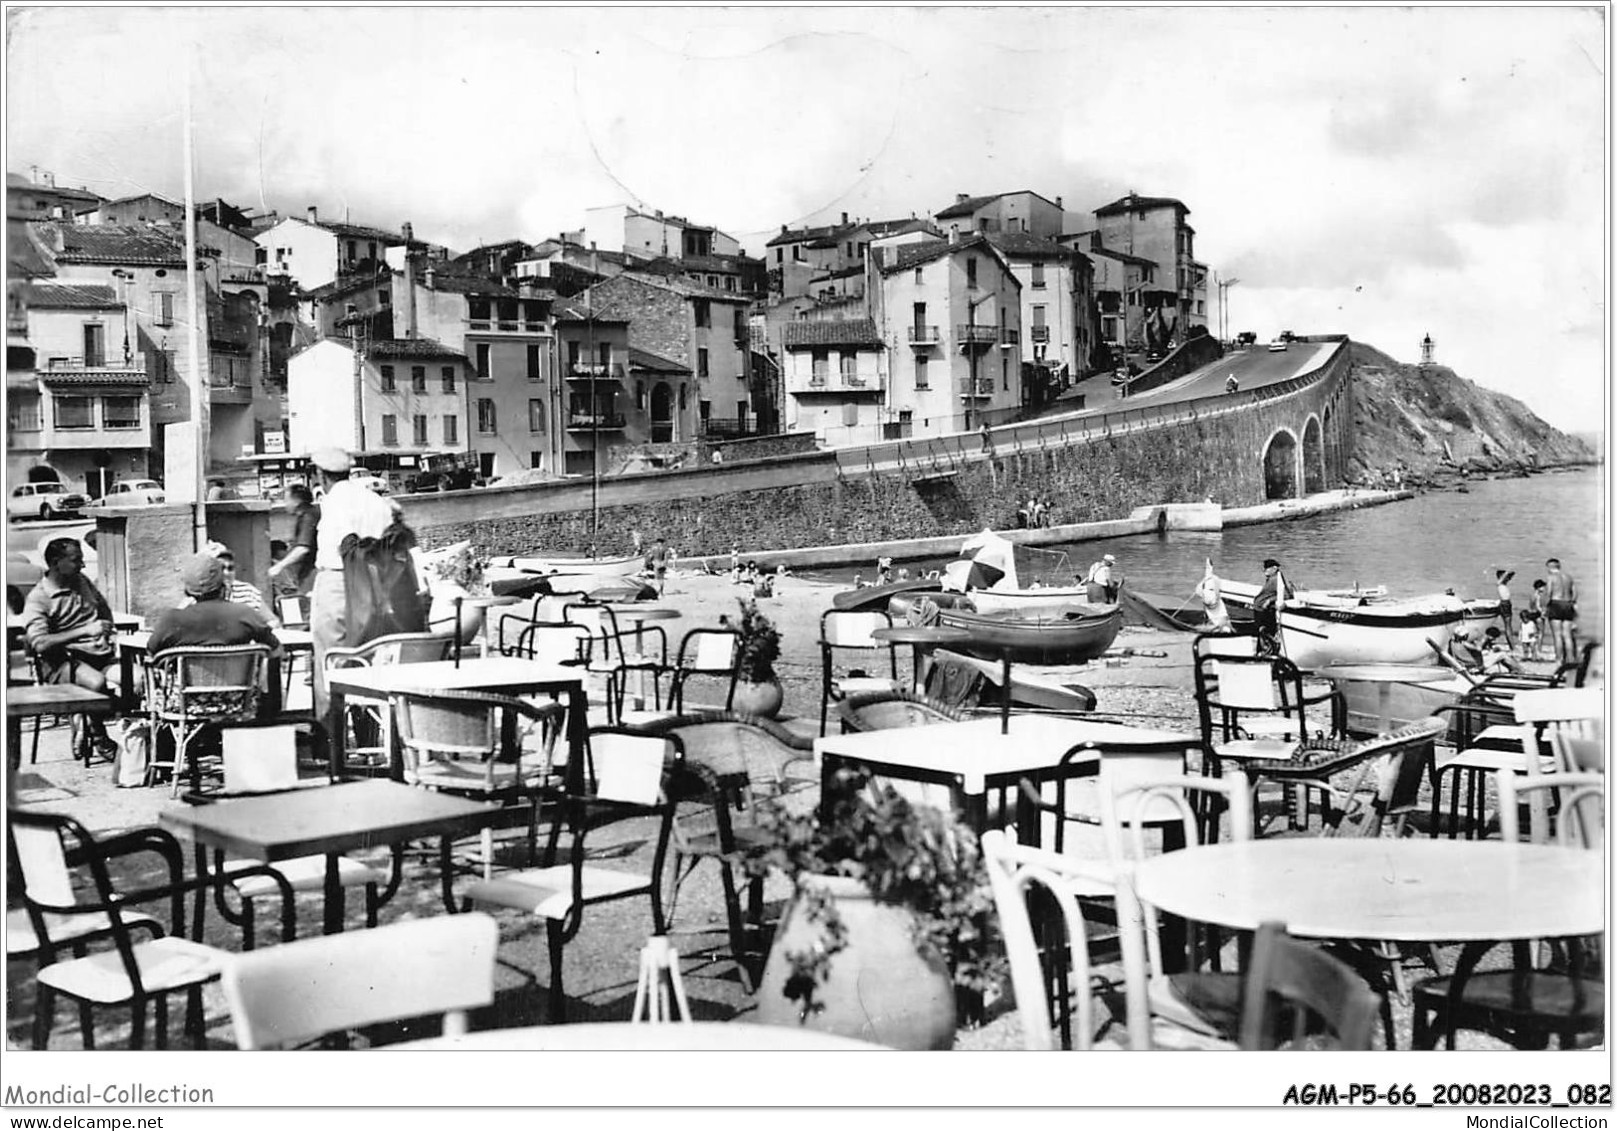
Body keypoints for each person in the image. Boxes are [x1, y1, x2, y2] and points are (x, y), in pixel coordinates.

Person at [306, 447, 396, 723]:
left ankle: (330, 742)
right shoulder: (377, 502)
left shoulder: (332, 503)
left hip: (337, 580)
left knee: (329, 661)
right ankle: (368, 733)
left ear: (321, 474)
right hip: (374, 582)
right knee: (367, 660)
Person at [22, 537, 121, 758]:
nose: (82, 565)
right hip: (61, 663)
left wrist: (105, 631)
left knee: (139, 680)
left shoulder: (82, 581)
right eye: (76, 560)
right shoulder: (39, 599)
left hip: (98, 655)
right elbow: (40, 643)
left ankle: (144, 743)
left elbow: (104, 612)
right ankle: (99, 738)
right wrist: (85, 631)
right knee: (96, 683)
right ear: (57, 562)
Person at [148, 552, 281, 655]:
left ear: (188, 592)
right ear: (223, 586)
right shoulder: (245, 613)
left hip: (187, 689)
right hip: (239, 688)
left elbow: (151, 651)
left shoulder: (172, 619)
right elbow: (276, 650)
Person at [268, 483, 319, 599]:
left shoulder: (308, 517)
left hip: (312, 573)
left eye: (286, 500)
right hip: (308, 573)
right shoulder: (309, 513)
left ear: (296, 501)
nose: (285, 504)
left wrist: (279, 567)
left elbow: (303, 548)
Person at [1252, 557, 1292, 657]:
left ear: (1274, 568)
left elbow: (1286, 595)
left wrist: (1270, 601)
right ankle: (1261, 651)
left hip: (1266, 611)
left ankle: (1266, 652)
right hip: (1260, 609)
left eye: (1267, 568)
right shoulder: (1271, 579)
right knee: (1261, 633)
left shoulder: (1276, 580)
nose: (1264, 570)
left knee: (1265, 632)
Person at [1544, 557, 1578, 665]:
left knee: (1557, 634)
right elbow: (1575, 593)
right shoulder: (1568, 577)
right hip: (1567, 604)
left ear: (1549, 567)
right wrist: (1571, 602)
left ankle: (1559, 659)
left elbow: (1548, 593)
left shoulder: (1551, 577)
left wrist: (1545, 607)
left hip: (1556, 603)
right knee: (1567, 635)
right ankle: (1571, 658)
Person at [1194, 558, 1233, 632]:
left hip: (1213, 599)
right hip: (1210, 598)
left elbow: (1198, 591)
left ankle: (1221, 628)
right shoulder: (1211, 580)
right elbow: (1198, 591)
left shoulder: (1214, 580)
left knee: (1222, 623)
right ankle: (1219, 627)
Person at [1493, 569, 1516, 647]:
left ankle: (1512, 644)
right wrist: (1507, 572)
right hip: (1505, 604)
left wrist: (1511, 572)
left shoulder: (1503, 584)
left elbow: (1511, 574)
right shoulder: (1499, 583)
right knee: (1508, 625)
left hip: (1506, 604)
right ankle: (1512, 645)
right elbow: (1506, 575)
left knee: (1509, 625)